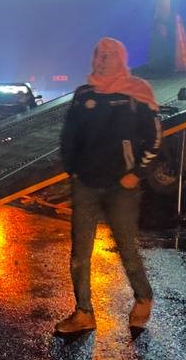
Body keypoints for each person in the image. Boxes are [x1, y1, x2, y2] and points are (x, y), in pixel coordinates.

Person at [56, 37, 162, 334]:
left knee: (126, 246)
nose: (102, 60)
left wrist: (138, 173)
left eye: (109, 55)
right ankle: (83, 312)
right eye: (98, 55)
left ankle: (143, 297)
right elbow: (69, 136)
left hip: (121, 185)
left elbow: (155, 137)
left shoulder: (136, 92)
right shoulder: (84, 94)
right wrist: (73, 169)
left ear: (121, 58)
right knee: (80, 252)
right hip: (86, 183)